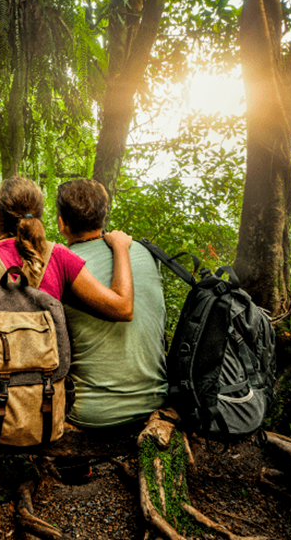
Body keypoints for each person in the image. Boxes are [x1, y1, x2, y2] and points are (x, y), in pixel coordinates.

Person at [0, 176, 134, 381]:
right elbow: (122, 307)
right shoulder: (59, 257)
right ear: (39, 215)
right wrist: (120, 248)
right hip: (45, 394)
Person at [56, 178, 167, 430]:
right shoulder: (144, 252)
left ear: (62, 224)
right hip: (154, 402)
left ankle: (76, 468)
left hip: (92, 413)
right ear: (103, 216)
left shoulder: (61, 266)